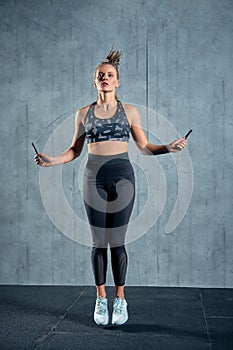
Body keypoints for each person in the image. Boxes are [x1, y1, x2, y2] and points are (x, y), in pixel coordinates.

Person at [34, 48, 187, 326]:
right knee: (97, 242)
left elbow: (144, 148)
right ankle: (100, 299)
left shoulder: (130, 111)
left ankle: (120, 300)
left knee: (117, 241)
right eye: (100, 75)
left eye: (110, 75)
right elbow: (73, 151)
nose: (105, 78)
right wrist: (51, 161)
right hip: (93, 178)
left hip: (123, 177)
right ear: (94, 82)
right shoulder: (83, 114)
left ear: (117, 81)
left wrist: (169, 147)